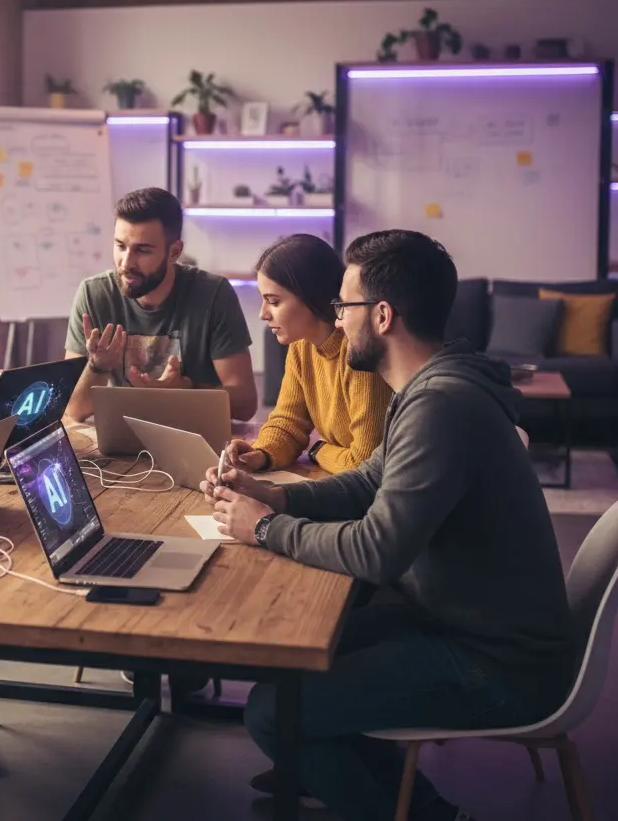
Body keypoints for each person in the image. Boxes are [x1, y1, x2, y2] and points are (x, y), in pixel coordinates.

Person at [205, 230, 573, 821]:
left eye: (343, 307)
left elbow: (378, 550)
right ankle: (396, 799)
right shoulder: (428, 387)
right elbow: (365, 481)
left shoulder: (441, 406)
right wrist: (270, 493)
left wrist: (266, 528)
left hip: (499, 662)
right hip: (460, 621)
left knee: (274, 712)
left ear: (381, 315)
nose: (338, 319)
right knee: (289, 668)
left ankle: (424, 814)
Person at [64, 187, 256, 422]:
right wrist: (97, 367)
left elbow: (245, 405)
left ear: (174, 252)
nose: (126, 263)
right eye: (120, 246)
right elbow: (74, 410)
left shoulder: (213, 294)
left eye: (142, 250)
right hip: (121, 435)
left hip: (193, 434)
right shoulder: (94, 294)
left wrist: (183, 392)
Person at [224, 234, 391, 475]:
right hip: (335, 480)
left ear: (311, 297)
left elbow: (364, 463)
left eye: (274, 301)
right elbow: (288, 422)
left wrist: (316, 449)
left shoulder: (359, 353)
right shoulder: (302, 346)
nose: (263, 314)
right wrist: (260, 454)